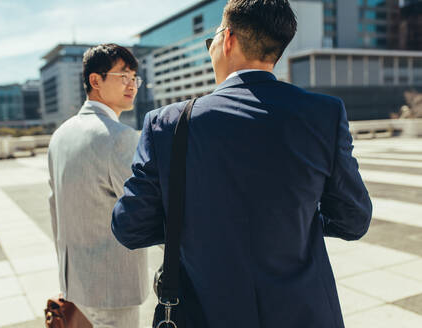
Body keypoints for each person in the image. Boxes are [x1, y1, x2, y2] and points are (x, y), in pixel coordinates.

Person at [111, 1, 372, 327]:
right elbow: (353, 220)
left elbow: (129, 226)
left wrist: (195, 227)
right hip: (305, 313)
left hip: (207, 312)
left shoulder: (168, 124)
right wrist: (293, 218)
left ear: (228, 38)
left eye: (212, 42)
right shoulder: (325, 114)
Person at [48, 44, 149, 328]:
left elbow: (55, 210)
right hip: (114, 287)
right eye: (123, 76)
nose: (132, 85)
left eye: (135, 78)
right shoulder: (119, 137)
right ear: (95, 80)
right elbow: (142, 210)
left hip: (75, 282)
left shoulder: (60, 135)